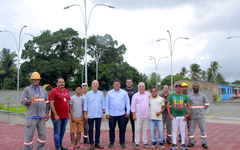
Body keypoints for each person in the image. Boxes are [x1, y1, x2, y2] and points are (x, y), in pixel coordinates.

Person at [21, 72, 49, 150]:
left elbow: (47, 102)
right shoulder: (27, 89)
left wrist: (47, 113)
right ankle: (27, 148)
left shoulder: (43, 89)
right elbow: (23, 102)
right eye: (34, 79)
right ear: (32, 80)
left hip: (41, 116)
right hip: (31, 117)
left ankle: (40, 147)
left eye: (38, 79)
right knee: (28, 135)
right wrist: (29, 100)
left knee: (42, 134)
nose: (36, 80)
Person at [105, 79, 130, 149]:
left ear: (120, 85)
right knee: (111, 129)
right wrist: (107, 113)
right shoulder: (109, 93)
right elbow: (106, 104)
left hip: (122, 114)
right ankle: (111, 141)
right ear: (113, 85)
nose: (116, 85)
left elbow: (127, 103)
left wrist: (128, 112)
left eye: (118, 84)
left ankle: (122, 142)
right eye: (115, 84)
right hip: (112, 114)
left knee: (122, 129)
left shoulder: (124, 93)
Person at [167, 83, 190, 150]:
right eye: (177, 87)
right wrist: (170, 114)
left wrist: (187, 114)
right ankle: (174, 144)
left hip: (182, 116)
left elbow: (188, 105)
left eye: (180, 87)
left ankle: (183, 144)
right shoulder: (171, 96)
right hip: (174, 116)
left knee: (182, 130)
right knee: (174, 130)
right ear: (175, 88)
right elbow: (168, 105)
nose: (178, 89)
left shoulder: (184, 96)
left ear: (181, 88)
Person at [49, 78, 70, 150]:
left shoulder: (66, 91)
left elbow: (67, 103)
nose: (61, 83)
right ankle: (57, 146)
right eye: (60, 82)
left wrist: (68, 114)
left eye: (62, 82)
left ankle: (60, 144)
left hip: (65, 116)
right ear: (57, 83)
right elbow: (51, 104)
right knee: (57, 131)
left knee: (62, 131)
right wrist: (55, 115)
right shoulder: (53, 91)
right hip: (57, 117)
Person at [84, 80, 105, 150]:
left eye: (96, 84)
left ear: (98, 85)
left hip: (99, 114)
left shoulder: (101, 93)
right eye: (94, 84)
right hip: (90, 114)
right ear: (91, 85)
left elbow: (103, 104)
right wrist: (85, 114)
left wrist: (103, 113)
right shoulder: (88, 94)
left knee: (98, 129)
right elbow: (85, 105)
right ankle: (91, 143)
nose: (95, 85)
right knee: (90, 129)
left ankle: (97, 142)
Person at [187, 83, 209, 149]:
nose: (195, 87)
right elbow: (187, 106)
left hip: (200, 116)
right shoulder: (189, 96)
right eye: (194, 86)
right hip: (192, 116)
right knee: (191, 130)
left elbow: (207, 104)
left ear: (199, 87)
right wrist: (188, 114)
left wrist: (202, 109)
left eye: (196, 86)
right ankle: (191, 142)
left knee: (203, 130)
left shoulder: (203, 95)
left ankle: (204, 143)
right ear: (192, 87)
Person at [131, 82, 151, 149]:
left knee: (145, 129)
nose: (141, 88)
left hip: (146, 115)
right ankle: (137, 142)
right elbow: (133, 106)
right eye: (140, 86)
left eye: (142, 86)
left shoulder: (148, 94)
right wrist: (133, 115)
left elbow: (154, 98)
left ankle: (145, 142)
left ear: (144, 87)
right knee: (137, 129)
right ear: (138, 87)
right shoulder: (135, 95)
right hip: (138, 115)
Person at [69, 85, 85, 150]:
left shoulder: (83, 98)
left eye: (80, 89)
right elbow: (70, 108)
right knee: (72, 132)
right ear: (75, 90)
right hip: (74, 118)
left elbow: (84, 108)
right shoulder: (72, 98)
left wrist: (83, 116)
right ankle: (73, 144)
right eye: (77, 89)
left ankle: (78, 144)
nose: (79, 90)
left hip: (80, 118)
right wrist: (72, 116)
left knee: (79, 131)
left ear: (81, 90)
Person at [123, 78, 138, 143]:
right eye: (127, 82)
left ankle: (134, 138)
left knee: (134, 125)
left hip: (133, 111)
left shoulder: (135, 90)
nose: (129, 83)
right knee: (123, 125)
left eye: (130, 82)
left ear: (132, 83)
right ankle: (122, 138)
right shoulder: (123, 91)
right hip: (124, 111)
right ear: (126, 83)